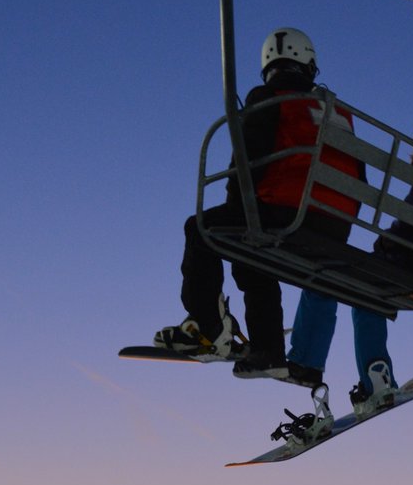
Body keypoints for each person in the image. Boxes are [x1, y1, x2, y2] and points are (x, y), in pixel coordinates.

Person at [154, 28, 361, 379]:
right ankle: (268, 351)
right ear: (309, 66)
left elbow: (248, 160)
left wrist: (235, 201)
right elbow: (360, 175)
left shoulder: (268, 97)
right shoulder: (335, 112)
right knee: (250, 248)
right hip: (336, 222)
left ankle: (208, 326)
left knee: (202, 228)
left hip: (289, 212)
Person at [286, 108, 413, 413]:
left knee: (324, 273)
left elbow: (411, 225)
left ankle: (305, 362)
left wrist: (383, 246)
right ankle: (377, 381)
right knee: (366, 298)